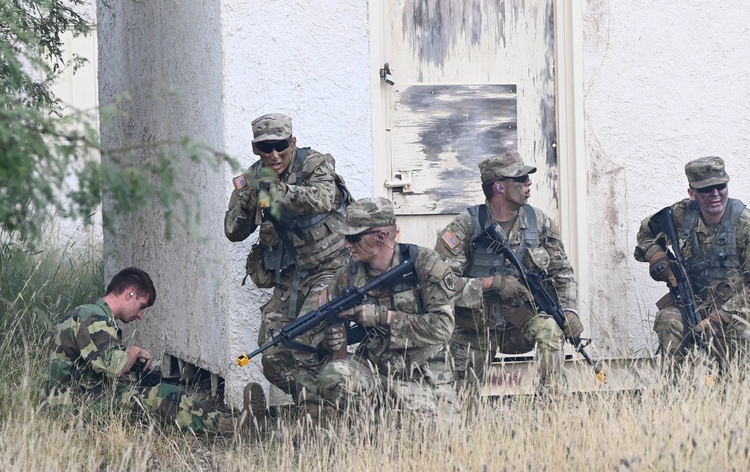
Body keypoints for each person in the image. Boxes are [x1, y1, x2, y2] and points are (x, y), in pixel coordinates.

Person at [224, 113, 353, 410]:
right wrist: (247, 203)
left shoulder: (313, 164)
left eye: (280, 146)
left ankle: (329, 405)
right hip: (291, 278)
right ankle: (322, 401)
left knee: (306, 333)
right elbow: (232, 231)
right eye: (265, 148)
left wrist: (280, 192)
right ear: (255, 149)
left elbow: (322, 198)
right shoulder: (252, 178)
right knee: (272, 353)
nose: (274, 154)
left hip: (333, 268)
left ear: (292, 142)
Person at [434, 151, 584, 397]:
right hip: (476, 327)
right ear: (499, 187)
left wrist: (569, 312)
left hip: (521, 321)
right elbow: (441, 285)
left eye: (527, 178)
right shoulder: (466, 226)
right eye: (521, 178)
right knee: (461, 405)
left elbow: (562, 272)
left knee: (550, 330)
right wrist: (491, 283)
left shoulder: (539, 222)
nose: (529, 183)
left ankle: (551, 411)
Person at [48, 267, 266, 435]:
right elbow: (115, 367)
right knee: (160, 397)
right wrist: (133, 351)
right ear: (129, 293)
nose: (140, 315)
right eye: (142, 305)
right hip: (76, 406)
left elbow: (99, 369)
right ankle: (235, 427)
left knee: (161, 390)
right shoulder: (93, 317)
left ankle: (230, 421)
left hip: (83, 397)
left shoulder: (91, 315)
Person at [310, 198, 456, 418]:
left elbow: (443, 327)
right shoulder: (347, 275)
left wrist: (382, 317)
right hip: (374, 370)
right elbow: (315, 325)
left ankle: (389, 421)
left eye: (353, 238)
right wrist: (327, 340)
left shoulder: (425, 265)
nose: (346, 244)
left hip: (425, 374)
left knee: (425, 436)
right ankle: (368, 423)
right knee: (335, 376)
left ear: (381, 237)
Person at [634, 156, 750, 370]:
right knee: (669, 320)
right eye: (706, 190)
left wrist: (718, 318)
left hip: (739, 315)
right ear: (692, 193)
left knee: (741, 387)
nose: (715, 195)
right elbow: (646, 232)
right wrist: (657, 255)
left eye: (720, 187)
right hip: (694, 304)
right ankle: (677, 394)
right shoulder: (680, 215)